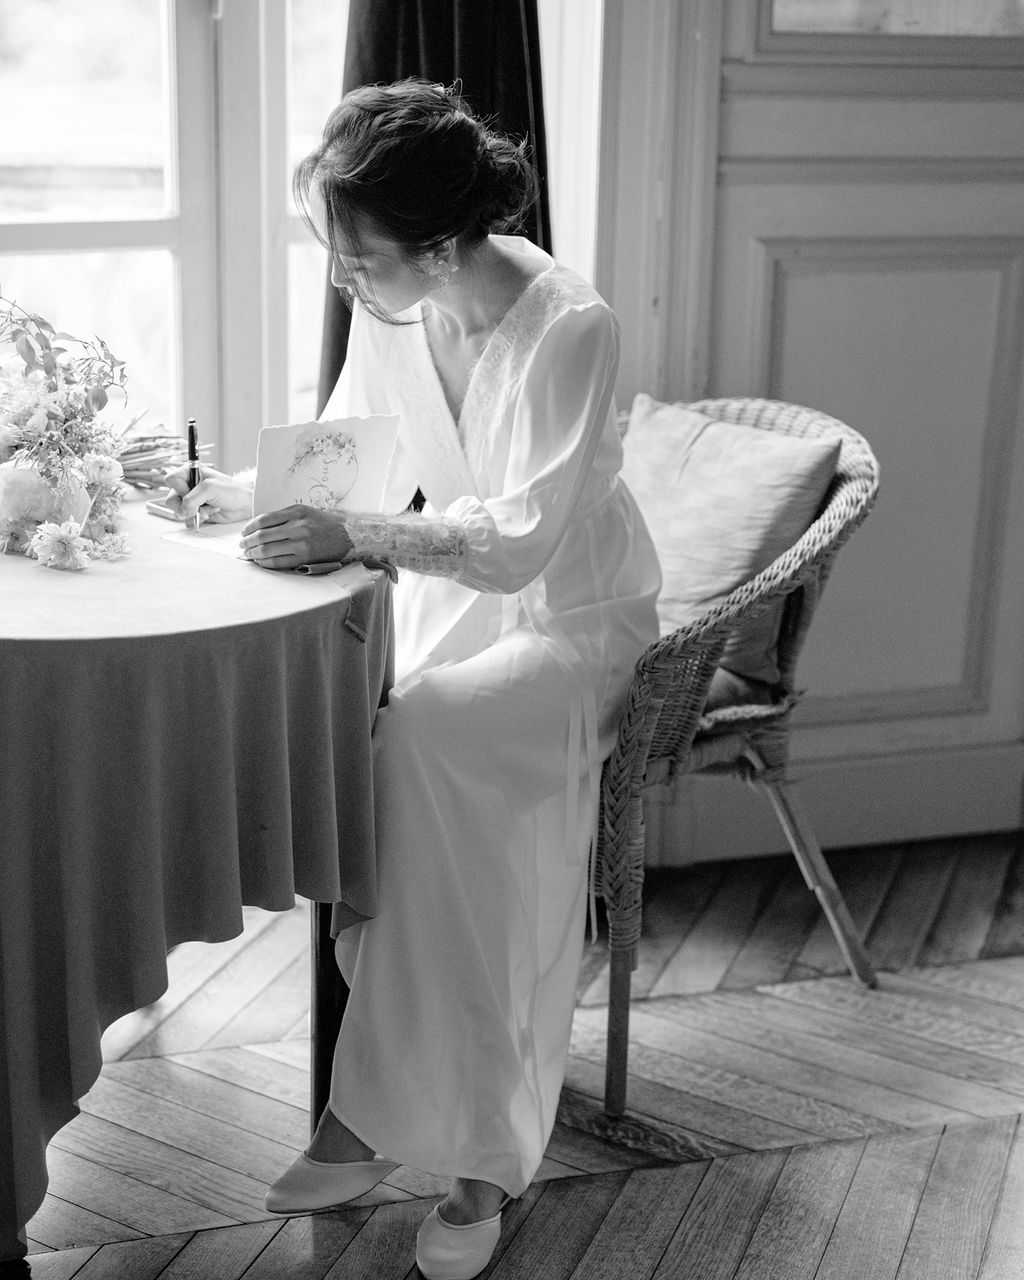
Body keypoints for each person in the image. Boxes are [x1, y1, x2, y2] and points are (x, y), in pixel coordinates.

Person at [163, 79, 661, 1280]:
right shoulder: (398, 305)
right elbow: (343, 459)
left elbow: (527, 540)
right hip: (452, 602)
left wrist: (358, 534)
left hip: (574, 619)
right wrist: (233, 492)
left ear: (440, 243)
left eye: (357, 258)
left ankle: (438, 1142)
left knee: (424, 740)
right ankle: (418, 1128)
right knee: (421, 786)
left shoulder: (569, 326)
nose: (344, 280)